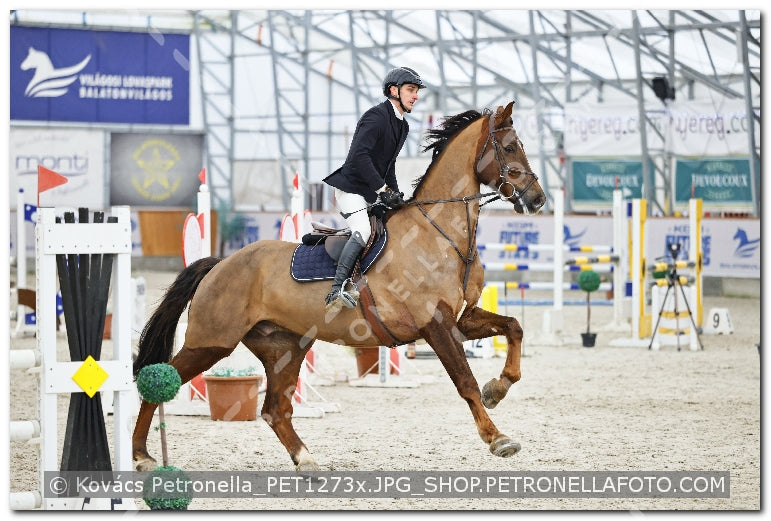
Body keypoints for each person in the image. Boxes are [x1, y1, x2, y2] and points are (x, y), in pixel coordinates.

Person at [322, 66, 426, 312]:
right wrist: (382, 188)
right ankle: (336, 291)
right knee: (362, 229)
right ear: (394, 90)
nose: (415, 96)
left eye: (416, 91)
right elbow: (359, 157)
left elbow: (388, 165)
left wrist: (395, 194)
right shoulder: (376, 117)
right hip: (351, 189)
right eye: (411, 90)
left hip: (371, 191)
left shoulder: (402, 126)